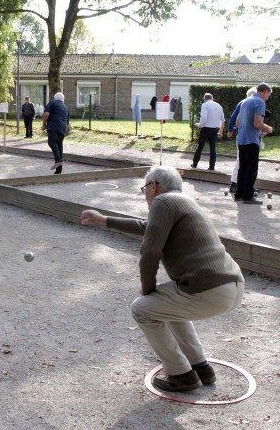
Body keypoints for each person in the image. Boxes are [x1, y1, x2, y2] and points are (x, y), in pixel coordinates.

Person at [80, 166, 244, 392]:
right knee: (167, 305)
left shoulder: (162, 202)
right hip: (231, 286)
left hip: (209, 290)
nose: (145, 194)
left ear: (154, 186)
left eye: (144, 188)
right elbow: (148, 228)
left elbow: (149, 251)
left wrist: (147, 289)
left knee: (143, 309)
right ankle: (201, 366)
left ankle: (181, 374)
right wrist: (103, 220)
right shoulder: (184, 201)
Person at [234, 83, 273, 204]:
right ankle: (248, 196)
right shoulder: (260, 102)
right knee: (252, 169)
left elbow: (238, 121)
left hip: (241, 139)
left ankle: (239, 194)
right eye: (268, 94)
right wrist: (268, 128)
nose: (268, 97)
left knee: (242, 168)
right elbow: (257, 123)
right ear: (265, 91)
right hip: (251, 139)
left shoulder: (245, 101)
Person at [226, 88, 257, 194]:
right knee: (241, 160)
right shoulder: (244, 103)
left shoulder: (254, 105)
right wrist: (230, 130)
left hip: (251, 136)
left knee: (250, 162)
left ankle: (247, 186)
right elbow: (233, 117)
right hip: (244, 136)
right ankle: (234, 183)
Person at [191, 93, 224, 170]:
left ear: (204, 99)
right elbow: (222, 120)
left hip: (206, 128)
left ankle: (195, 164)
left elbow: (204, 117)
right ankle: (211, 166)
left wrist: (199, 125)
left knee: (200, 146)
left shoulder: (205, 105)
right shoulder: (219, 106)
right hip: (215, 128)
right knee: (213, 148)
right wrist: (221, 131)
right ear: (212, 98)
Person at [42, 92, 70, 174]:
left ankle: (58, 160)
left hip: (53, 126)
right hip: (63, 129)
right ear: (63, 99)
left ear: (55, 98)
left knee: (51, 142)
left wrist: (44, 123)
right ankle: (59, 170)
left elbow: (46, 114)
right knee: (59, 146)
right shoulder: (66, 107)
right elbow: (68, 123)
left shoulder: (52, 103)